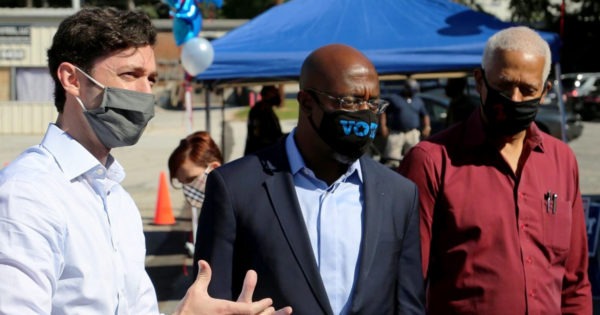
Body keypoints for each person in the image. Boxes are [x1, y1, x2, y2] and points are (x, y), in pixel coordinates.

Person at [0, 7, 291, 315]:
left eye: (151, 79)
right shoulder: (28, 194)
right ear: (72, 79)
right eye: (130, 74)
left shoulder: (117, 200)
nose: (146, 92)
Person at [195, 43, 425, 314]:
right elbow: (210, 303)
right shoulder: (235, 188)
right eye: (350, 101)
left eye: (373, 103)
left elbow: (409, 306)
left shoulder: (399, 194)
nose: (365, 114)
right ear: (306, 103)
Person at [399, 26, 592, 314]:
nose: (514, 100)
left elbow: (575, 283)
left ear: (544, 92)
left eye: (527, 89)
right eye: (503, 86)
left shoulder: (561, 160)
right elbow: (405, 287)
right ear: (479, 81)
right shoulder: (431, 161)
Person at [168, 131, 223, 256]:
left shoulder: (238, 209)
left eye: (191, 179)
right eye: (182, 183)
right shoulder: (208, 212)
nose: (188, 188)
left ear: (214, 168)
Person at [381, 79, 431, 167]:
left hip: (412, 132)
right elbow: (384, 112)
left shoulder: (418, 100)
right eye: (412, 90)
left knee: (414, 158)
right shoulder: (395, 98)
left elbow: (425, 115)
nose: (413, 93)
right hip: (396, 132)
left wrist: (427, 126)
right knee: (392, 159)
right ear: (406, 88)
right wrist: (383, 126)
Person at [244, 85, 284, 155]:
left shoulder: (268, 109)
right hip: (259, 154)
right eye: (273, 92)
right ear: (267, 95)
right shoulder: (258, 110)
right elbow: (258, 137)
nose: (277, 94)